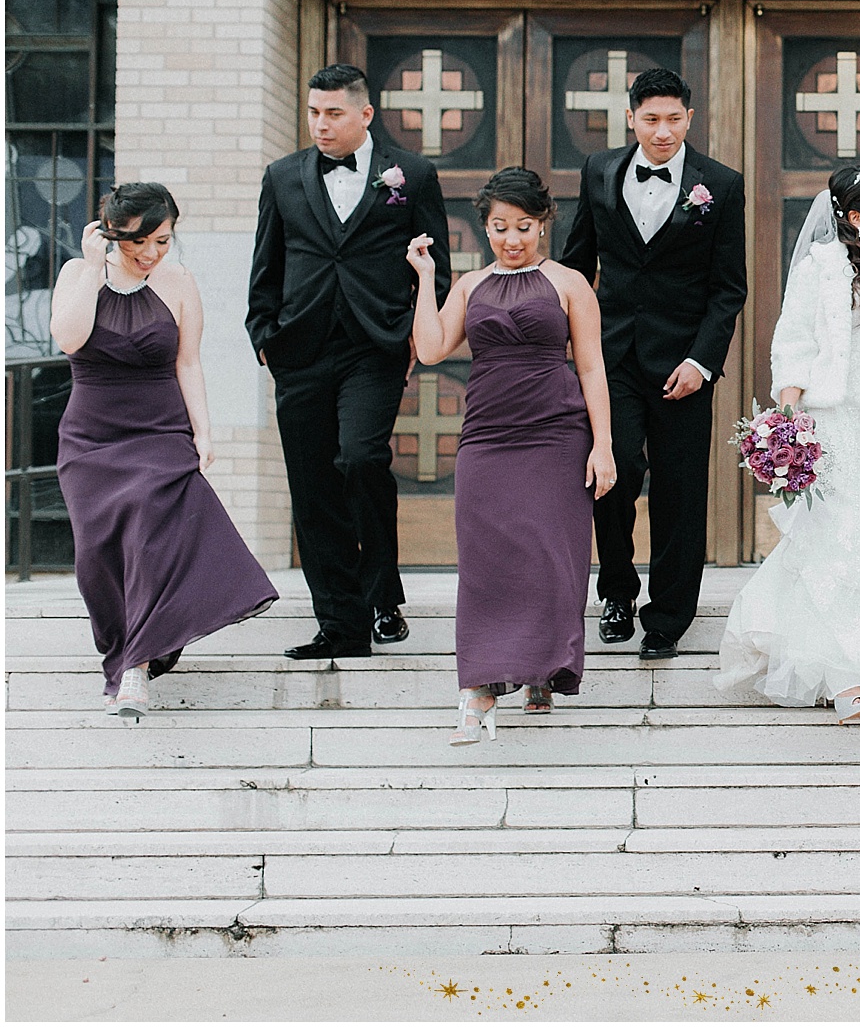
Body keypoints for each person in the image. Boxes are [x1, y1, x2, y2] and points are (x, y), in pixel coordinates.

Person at [716, 163, 860, 720]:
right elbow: (793, 344)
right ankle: (846, 678)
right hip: (838, 425)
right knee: (841, 546)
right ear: (853, 217)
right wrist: (788, 423)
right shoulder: (823, 268)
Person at [53, 184, 278, 721]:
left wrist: (203, 431)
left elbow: (188, 363)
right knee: (95, 558)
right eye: (139, 243)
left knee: (150, 535)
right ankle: (122, 651)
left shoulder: (179, 282)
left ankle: (134, 669)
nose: (152, 253)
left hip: (159, 431)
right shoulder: (75, 274)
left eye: (163, 240)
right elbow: (68, 338)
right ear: (113, 235)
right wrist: (90, 269)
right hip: (91, 438)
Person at [248, 64, 450, 660]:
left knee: (361, 459)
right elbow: (267, 261)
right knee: (313, 487)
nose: (321, 123)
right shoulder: (282, 176)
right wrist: (264, 334)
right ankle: (341, 625)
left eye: (333, 112)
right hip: (300, 349)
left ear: (365, 114)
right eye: (314, 112)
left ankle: (381, 595)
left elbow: (432, 261)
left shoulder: (412, 175)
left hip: (375, 344)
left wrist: (419, 332)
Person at [407, 168, 615, 744]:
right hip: (488, 436)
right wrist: (426, 277)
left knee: (552, 555)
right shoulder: (470, 286)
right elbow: (429, 349)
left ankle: (542, 671)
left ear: (543, 224)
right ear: (486, 229)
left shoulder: (570, 283)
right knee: (487, 561)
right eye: (500, 228)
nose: (512, 239)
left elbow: (593, 367)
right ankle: (478, 690)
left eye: (523, 227)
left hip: (556, 431)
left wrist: (603, 445)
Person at [560, 68, 747, 661]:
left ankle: (667, 616)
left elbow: (728, 288)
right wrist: (567, 345)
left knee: (680, 491)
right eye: (650, 120)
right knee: (610, 477)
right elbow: (576, 265)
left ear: (689, 118)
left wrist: (703, 360)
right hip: (609, 355)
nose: (662, 131)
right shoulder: (598, 171)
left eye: (673, 119)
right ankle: (616, 590)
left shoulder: (722, 183)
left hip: (682, 365)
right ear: (630, 118)